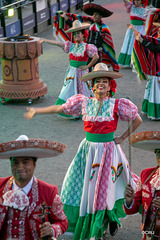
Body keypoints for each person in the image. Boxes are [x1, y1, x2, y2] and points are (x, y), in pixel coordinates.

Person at [24, 62, 142, 239]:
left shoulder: (117, 105)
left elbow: (137, 119)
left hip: (108, 152)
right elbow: (59, 108)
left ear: (110, 86)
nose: (101, 84)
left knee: (103, 190)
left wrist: (122, 138)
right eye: (97, 81)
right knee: (81, 187)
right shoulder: (83, 103)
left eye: (105, 81)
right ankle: (99, 221)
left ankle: (103, 223)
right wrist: (37, 110)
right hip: (88, 152)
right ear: (92, 86)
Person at [0, 135, 68, 240]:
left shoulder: (49, 192)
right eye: (15, 163)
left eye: (25, 162)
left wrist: (52, 230)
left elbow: (62, 222)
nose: (20, 167)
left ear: (34, 164)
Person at [42, 20, 99, 118]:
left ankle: (85, 111)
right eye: (75, 34)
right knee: (68, 90)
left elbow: (96, 56)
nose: (76, 35)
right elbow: (57, 43)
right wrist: (45, 40)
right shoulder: (71, 46)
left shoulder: (87, 47)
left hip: (81, 72)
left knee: (84, 91)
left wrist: (87, 66)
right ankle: (71, 111)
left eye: (78, 33)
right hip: (71, 73)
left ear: (83, 35)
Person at [54, 3, 120, 72]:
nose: (94, 16)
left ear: (101, 16)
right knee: (86, 70)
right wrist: (65, 17)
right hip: (87, 51)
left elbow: (108, 44)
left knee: (98, 71)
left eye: (96, 14)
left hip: (97, 53)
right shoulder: (87, 24)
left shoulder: (104, 28)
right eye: (93, 14)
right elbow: (75, 26)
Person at [124, 130, 160, 240]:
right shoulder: (146, 175)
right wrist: (130, 201)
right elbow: (134, 208)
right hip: (148, 232)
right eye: (159, 153)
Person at [130, 22, 160, 120]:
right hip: (155, 71)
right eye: (159, 30)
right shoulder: (157, 40)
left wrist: (142, 41)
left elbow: (154, 48)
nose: (158, 32)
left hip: (158, 72)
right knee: (153, 91)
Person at [118, 0, 147, 68]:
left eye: (138, 0)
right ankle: (129, 62)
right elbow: (126, 2)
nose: (136, 2)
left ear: (141, 1)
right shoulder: (131, 7)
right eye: (135, 0)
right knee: (129, 45)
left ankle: (137, 62)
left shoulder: (145, 10)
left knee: (137, 44)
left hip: (140, 30)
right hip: (131, 29)